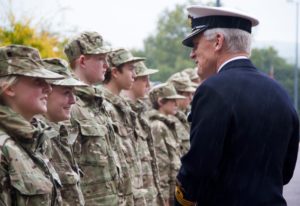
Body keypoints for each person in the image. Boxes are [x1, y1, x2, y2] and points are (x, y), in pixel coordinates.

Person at [175, 5, 299, 206]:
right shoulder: (280, 93)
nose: (192, 54)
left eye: (195, 45)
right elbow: (285, 172)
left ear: (218, 42)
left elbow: (198, 168)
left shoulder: (213, 90)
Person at [0, 44, 64, 205]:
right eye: (37, 81)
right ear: (9, 88)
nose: (48, 89)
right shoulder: (4, 148)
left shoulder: (35, 138)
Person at [64, 31, 122, 205]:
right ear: (82, 61)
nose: (107, 65)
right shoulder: (68, 105)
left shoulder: (98, 103)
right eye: (100, 59)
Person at [102, 48, 147, 205]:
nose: (134, 75)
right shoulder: (103, 107)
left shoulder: (122, 107)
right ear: (115, 72)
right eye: (130, 69)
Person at [40, 58, 87, 206]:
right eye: (66, 92)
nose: (73, 100)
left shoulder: (61, 134)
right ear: (45, 92)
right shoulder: (38, 139)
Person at [122, 61, 165, 205]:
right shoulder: (121, 113)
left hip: (148, 196)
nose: (148, 84)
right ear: (133, 80)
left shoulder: (139, 113)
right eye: (144, 79)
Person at [148, 83, 185, 206]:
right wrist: (164, 197)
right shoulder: (157, 126)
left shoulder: (167, 124)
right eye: (172, 100)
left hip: (175, 190)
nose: (176, 104)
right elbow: (161, 165)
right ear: (161, 102)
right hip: (168, 193)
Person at [167, 72, 195, 155]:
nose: (191, 98)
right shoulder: (168, 119)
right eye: (187, 94)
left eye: (192, 94)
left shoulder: (187, 115)